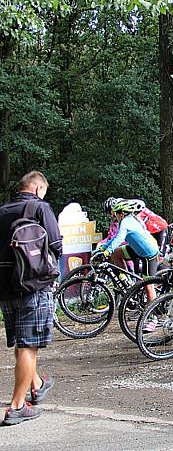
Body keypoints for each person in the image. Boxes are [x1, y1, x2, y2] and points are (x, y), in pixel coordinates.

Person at [0, 171, 62, 425]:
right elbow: (56, 244)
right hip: (33, 285)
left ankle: (37, 384)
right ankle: (16, 406)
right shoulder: (39, 207)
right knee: (29, 346)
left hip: (5, 288)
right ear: (37, 189)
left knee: (23, 343)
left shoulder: (2, 210)